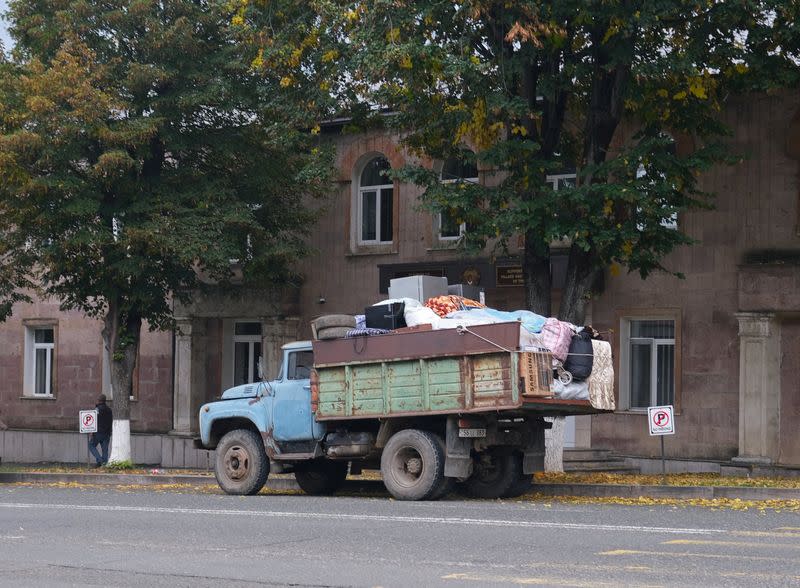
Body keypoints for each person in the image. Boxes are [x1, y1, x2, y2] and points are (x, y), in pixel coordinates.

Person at [88, 394, 113, 466]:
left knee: (91, 445)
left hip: (98, 432)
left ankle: (100, 460)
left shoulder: (97, 409)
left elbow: (94, 420)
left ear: (98, 400)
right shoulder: (109, 410)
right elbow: (111, 421)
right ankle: (104, 464)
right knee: (105, 450)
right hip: (107, 433)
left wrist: (92, 431)